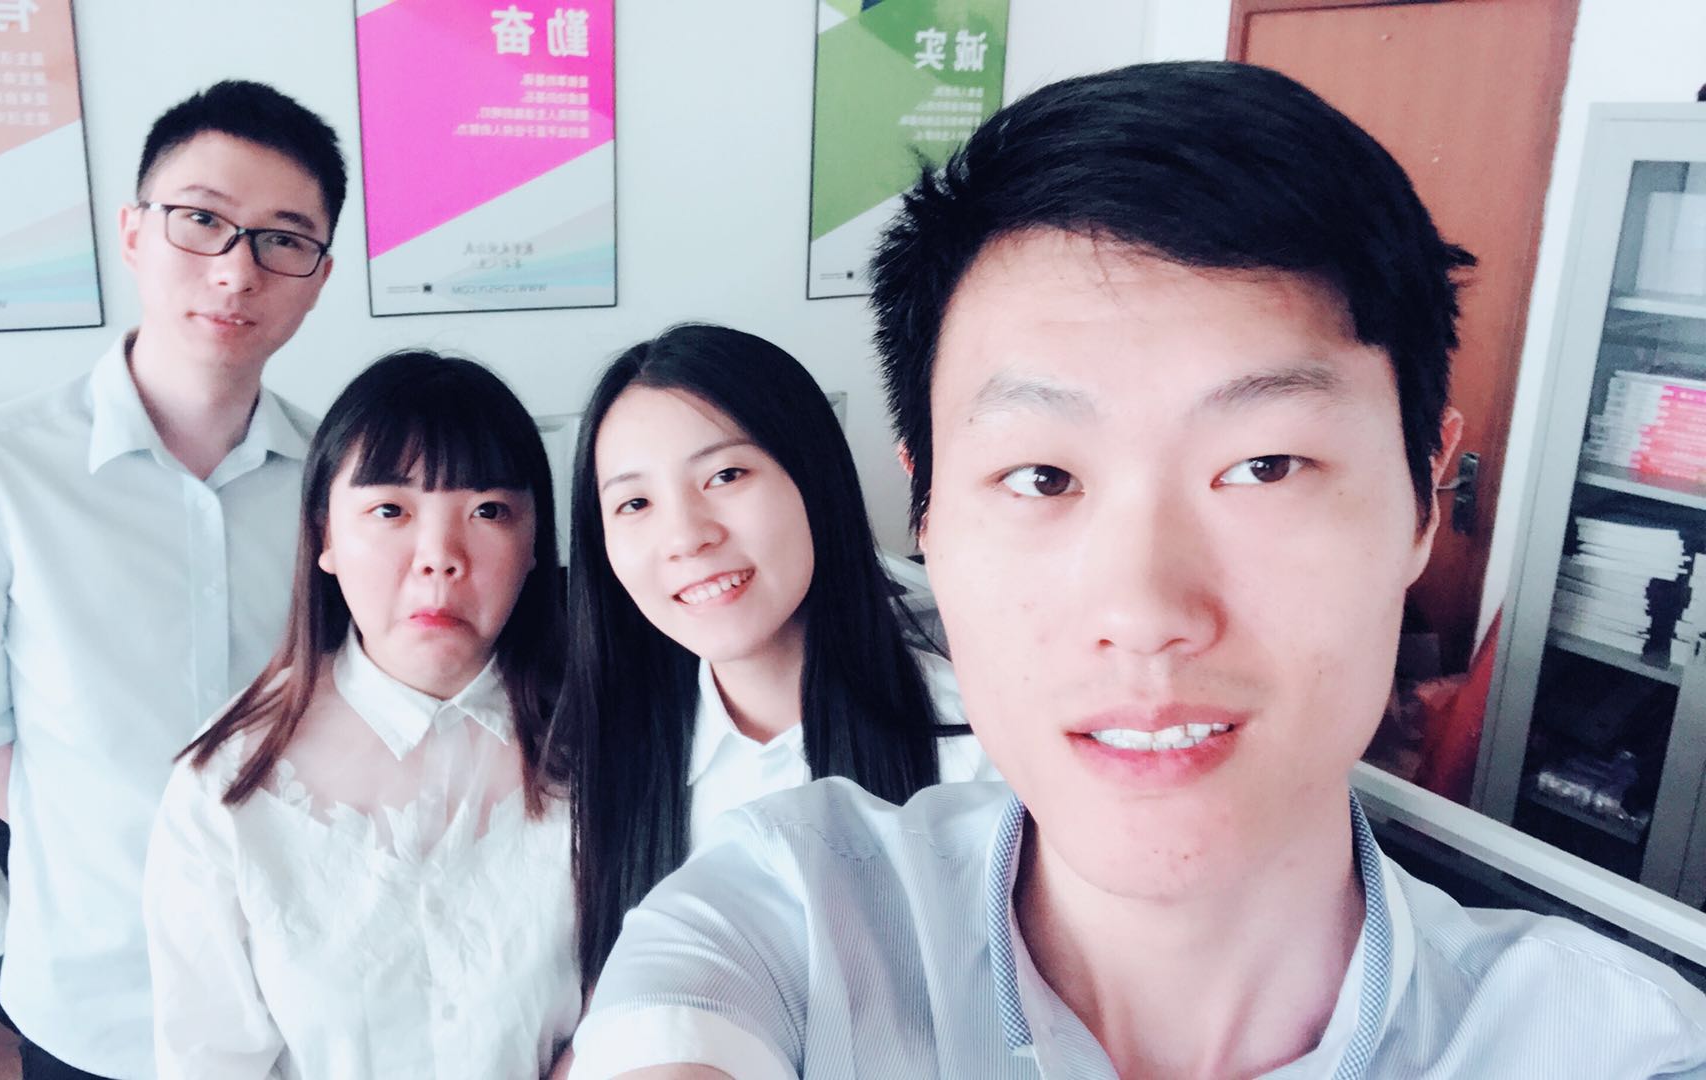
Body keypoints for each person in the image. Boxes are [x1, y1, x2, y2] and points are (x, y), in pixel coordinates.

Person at [568, 62, 1706, 1078]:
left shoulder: (1613, 1042)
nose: (1146, 612)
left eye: (1264, 466)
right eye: (1042, 477)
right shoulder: (789, 916)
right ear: (928, 512)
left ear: (1425, 492)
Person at [0, 80, 346, 1078]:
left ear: (318, 277)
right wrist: (139, 855)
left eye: (282, 240)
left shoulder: (341, 480)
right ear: (135, 232)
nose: (236, 270)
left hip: (302, 985)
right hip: (100, 990)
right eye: (202, 221)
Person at [144, 351, 577, 1078]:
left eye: (488, 511)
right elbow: (208, 1060)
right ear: (326, 537)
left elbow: (646, 1001)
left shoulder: (607, 744)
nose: (439, 557)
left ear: (535, 541)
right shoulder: (227, 781)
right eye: (390, 511)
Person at [556, 323, 992, 986]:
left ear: (813, 477)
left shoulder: (976, 742)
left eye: (725, 475)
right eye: (634, 502)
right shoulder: (592, 765)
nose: (686, 537)